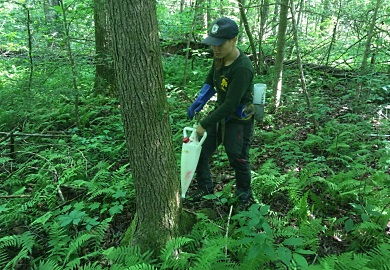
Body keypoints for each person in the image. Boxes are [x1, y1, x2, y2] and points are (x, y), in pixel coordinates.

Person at [187, 17, 255, 209]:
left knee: (238, 159)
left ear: (233, 40)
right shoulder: (219, 58)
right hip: (220, 115)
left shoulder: (242, 68)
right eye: (212, 44)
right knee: (200, 150)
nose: (215, 49)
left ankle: (243, 196)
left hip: (238, 120)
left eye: (220, 44)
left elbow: (231, 105)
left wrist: (203, 124)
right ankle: (205, 188)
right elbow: (211, 80)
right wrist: (199, 101)